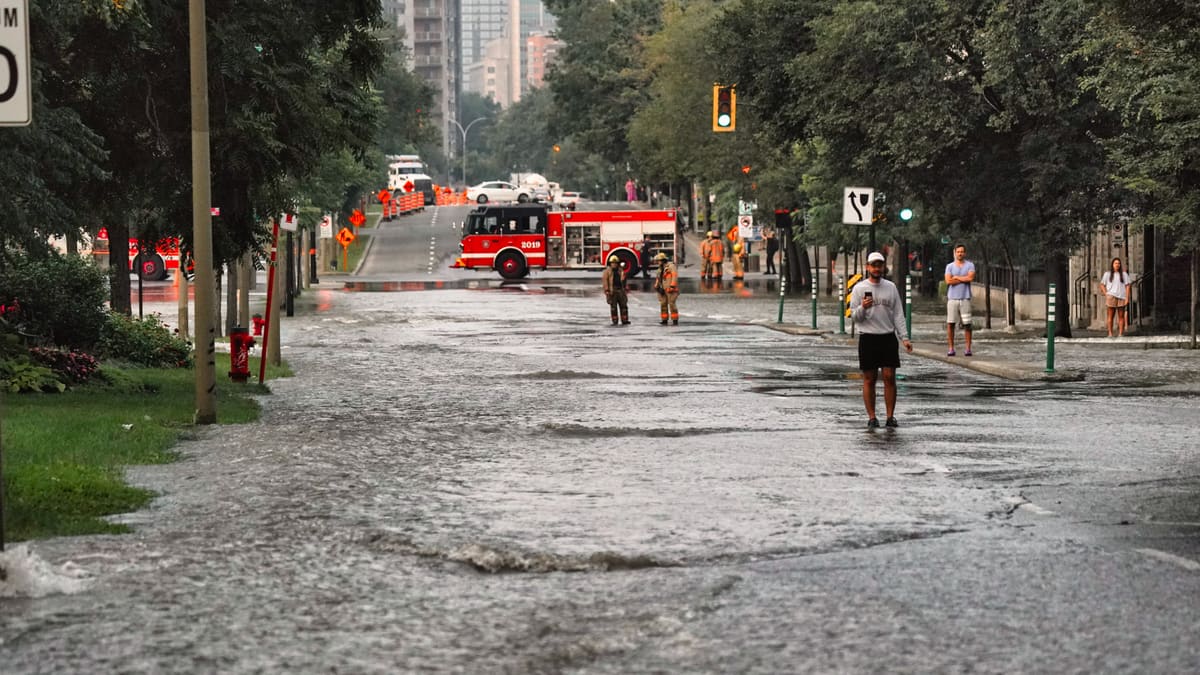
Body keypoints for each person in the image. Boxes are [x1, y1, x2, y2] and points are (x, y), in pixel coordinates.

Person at [849, 251, 913, 429]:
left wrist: (905, 338)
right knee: (869, 378)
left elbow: (898, 314)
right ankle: (872, 417)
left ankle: (890, 416)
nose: (877, 268)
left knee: (889, 377)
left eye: (880, 265)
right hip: (867, 337)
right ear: (868, 267)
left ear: (884, 267)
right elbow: (854, 317)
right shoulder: (859, 288)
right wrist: (863, 307)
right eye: (874, 265)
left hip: (887, 337)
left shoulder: (891, 287)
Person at [944, 244, 976, 356]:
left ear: (965, 253)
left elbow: (970, 278)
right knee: (951, 324)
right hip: (952, 298)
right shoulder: (949, 266)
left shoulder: (970, 265)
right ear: (955, 253)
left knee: (967, 324)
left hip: (965, 298)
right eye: (958, 252)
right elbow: (948, 281)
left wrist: (956, 277)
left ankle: (968, 348)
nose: (960, 254)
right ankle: (951, 348)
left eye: (962, 251)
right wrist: (964, 279)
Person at [1099, 257, 1132, 337]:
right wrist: (1106, 293)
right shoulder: (1107, 274)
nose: (1117, 265)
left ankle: (1120, 333)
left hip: (1121, 297)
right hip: (1111, 296)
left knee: (1121, 316)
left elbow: (1128, 286)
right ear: (1112, 264)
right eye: (1115, 263)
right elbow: (1102, 284)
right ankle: (1110, 333)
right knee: (1110, 316)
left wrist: (1127, 297)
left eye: (1118, 263)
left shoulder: (1124, 274)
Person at [602, 255, 630, 325]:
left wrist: (624, 279)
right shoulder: (607, 272)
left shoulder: (620, 271)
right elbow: (605, 281)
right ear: (610, 264)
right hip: (612, 291)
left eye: (615, 263)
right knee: (613, 307)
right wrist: (607, 290)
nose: (614, 264)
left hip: (620, 290)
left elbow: (624, 281)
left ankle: (625, 320)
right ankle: (615, 320)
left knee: (624, 306)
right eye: (613, 263)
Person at [653, 252, 679, 325]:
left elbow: (674, 276)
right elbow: (658, 277)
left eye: (658, 261)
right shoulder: (660, 269)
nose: (657, 262)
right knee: (663, 304)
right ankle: (664, 320)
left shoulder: (671, 266)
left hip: (670, 289)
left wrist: (672, 286)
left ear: (663, 260)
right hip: (662, 289)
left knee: (672, 304)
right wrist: (656, 285)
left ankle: (675, 320)